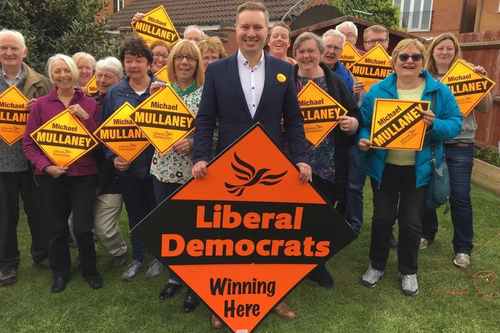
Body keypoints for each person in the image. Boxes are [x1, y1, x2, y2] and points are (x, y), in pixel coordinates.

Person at [191, 1, 312, 327]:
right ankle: (223, 300)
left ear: (267, 31)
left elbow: (294, 121)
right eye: (245, 26)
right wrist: (201, 155)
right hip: (227, 168)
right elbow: (205, 120)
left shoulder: (284, 70)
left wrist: (300, 159)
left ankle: (274, 296)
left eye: (258, 27)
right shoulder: (217, 70)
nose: (251, 33)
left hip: (271, 168)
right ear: (236, 29)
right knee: (229, 237)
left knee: (268, 235)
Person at [357, 39, 462, 296]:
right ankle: (377, 264)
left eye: (416, 57)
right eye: (404, 56)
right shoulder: (377, 90)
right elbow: (365, 123)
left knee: (411, 222)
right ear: (394, 60)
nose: (409, 61)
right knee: (382, 218)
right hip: (385, 167)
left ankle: (409, 271)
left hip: (419, 168)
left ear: (423, 61)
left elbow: (455, 123)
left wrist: (434, 125)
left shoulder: (438, 91)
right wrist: (363, 138)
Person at [23, 54, 102, 293]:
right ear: (51, 76)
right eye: (57, 71)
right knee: (56, 228)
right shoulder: (41, 105)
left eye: (67, 70)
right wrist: (46, 167)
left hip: (83, 176)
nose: (63, 75)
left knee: (82, 228)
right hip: (52, 177)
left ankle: (90, 270)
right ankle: (60, 272)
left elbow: (99, 142)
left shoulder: (90, 104)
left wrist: (86, 119)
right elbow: (29, 144)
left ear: (75, 73)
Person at [293, 32, 362, 288]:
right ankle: (292, 262)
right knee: (292, 216)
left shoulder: (334, 83)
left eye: (311, 51)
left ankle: (316, 265)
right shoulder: (285, 82)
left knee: (321, 216)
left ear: (321, 54)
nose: (306, 56)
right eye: (301, 51)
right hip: (292, 161)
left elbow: (355, 116)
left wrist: (352, 123)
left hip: (328, 163)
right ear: (295, 54)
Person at [420, 34, 493, 268]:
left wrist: (481, 81)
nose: (445, 52)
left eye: (449, 48)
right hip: (431, 142)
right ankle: (427, 233)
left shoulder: (468, 73)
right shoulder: (424, 77)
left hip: (461, 143)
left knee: (460, 196)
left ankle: (463, 248)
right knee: (426, 192)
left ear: (456, 51)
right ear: (433, 51)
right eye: (440, 48)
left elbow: (485, 107)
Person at [149, 40, 206, 313]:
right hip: (162, 170)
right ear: (170, 63)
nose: (184, 62)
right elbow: (146, 128)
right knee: (170, 227)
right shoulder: (161, 92)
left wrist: (195, 143)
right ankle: (174, 277)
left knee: (193, 230)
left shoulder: (207, 94)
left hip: (194, 173)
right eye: (179, 58)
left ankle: (195, 285)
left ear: (198, 64)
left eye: (190, 58)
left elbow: (217, 132)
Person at [100, 36, 163, 281]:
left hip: (157, 167)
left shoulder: (161, 89)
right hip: (127, 168)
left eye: (138, 60)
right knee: (135, 213)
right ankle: (138, 258)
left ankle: (158, 257)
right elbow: (105, 131)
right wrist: (112, 157)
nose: (133, 66)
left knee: (156, 213)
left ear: (149, 63)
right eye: (128, 61)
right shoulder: (115, 92)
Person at [0, 28, 51, 287]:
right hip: (1, 162)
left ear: (25, 52)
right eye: (3, 48)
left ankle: (42, 254)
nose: (9, 53)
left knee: (38, 212)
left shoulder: (41, 82)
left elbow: (57, 115)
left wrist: (40, 106)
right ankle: (7, 264)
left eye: (14, 48)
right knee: (5, 216)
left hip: (33, 161)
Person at [347, 24, 392, 239]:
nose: (377, 44)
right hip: (361, 135)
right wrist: (354, 93)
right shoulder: (355, 70)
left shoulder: (397, 70)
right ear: (364, 44)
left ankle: (386, 230)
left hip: (387, 135)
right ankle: (354, 224)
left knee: (385, 188)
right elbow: (349, 107)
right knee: (355, 184)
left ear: (387, 42)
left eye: (381, 40)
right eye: (372, 41)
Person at [92, 57, 128, 268]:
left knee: (104, 228)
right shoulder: (87, 101)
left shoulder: (123, 104)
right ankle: (86, 252)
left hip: (113, 175)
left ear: (119, 80)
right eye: (99, 75)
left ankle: (119, 252)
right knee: (74, 223)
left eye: (109, 76)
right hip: (86, 174)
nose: (103, 80)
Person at [321, 29, 354, 93]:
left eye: (336, 48)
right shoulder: (307, 71)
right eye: (328, 46)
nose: (331, 51)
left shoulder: (347, 77)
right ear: (320, 48)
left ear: (341, 52)